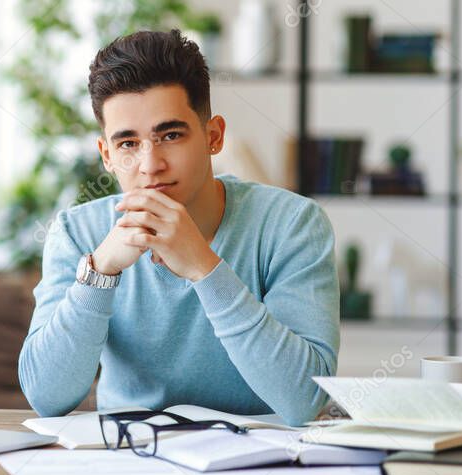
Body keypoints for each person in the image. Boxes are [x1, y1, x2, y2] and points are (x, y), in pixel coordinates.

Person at [17, 30, 339, 426]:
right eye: (128, 144)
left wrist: (204, 268)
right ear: (106, 155)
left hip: (259, 461)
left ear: (213, 136)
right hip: (130, 457)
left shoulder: (292, 225)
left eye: (170, 135)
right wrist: (99, 274)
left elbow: (304, 399)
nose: (150, 165)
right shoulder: (77, 233)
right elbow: (46, 399)